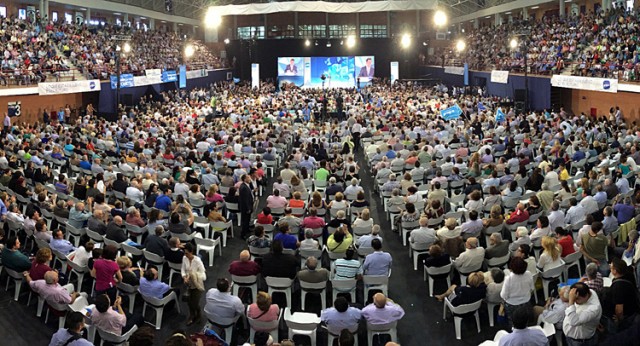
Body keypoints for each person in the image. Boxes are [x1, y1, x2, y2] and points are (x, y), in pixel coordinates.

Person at [601, 258, 639, 333]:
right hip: (633, 309)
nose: (610, 268)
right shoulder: (629, 275)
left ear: (615, 271)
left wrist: (619, 320)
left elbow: (619, 310)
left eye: (611, 267)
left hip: (626, 316)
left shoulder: (618, 287)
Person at [562, 282, 602, 346]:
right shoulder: (589, 291)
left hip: (580, 342)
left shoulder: (593, 308)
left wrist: (571, 301)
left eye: (577, 299)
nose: (575, 301)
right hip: (571, 337)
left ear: (586, 295)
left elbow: (574, 322)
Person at [501, 257, 534, 325]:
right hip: (526, 302)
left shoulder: (508, 279)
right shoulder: (529, 274)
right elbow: (532, 288)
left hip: (512, 304)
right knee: (526, 320)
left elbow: (503, 295)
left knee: (513, 321)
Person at [181, 243, 206, 325]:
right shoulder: (184, 258)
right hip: (188, 284)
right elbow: (183, 269)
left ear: (192, 252)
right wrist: (184, 277)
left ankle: (198, 315)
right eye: (185, 253)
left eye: (187, 253)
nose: (185, 255)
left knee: (195, 302)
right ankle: (192, 315)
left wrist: (192, 275)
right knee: (189, 301)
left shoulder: (198, 261)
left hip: (197, 285)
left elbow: (203, 275)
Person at [239, 174, 254, 239]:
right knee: (245, 220)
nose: (250, 178)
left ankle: (247, 229)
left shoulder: (246, 185)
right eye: (248, 177)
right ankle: (243, 234)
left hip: (249, 205)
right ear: (245, 179)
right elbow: (245, 200)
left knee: (248, 219)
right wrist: (248, 208)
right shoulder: (244, 187)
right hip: (245, 207)